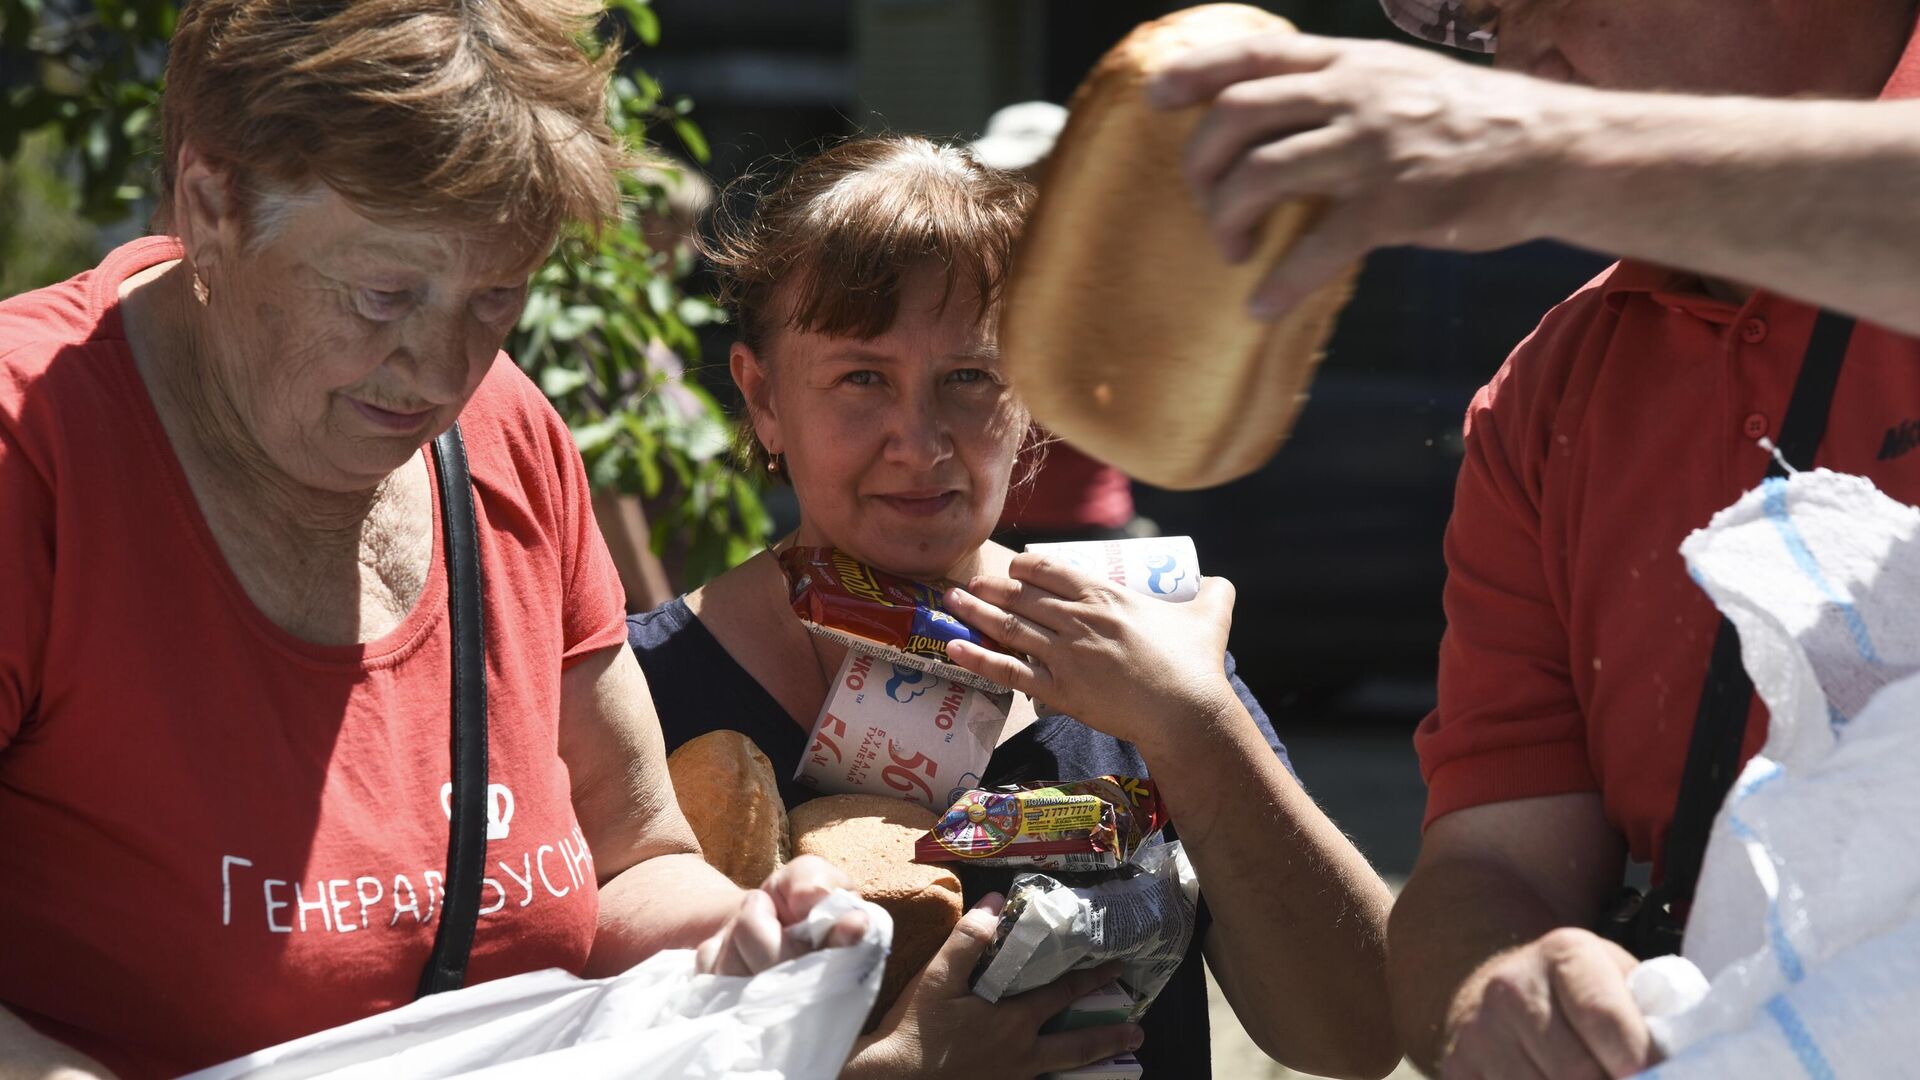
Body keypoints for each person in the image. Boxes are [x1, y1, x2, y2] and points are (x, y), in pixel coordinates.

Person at [0, 2, 861, 1075]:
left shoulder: (507, 436)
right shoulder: (31, 455)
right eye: (383, 294)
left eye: (496, 297)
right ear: (212, 200)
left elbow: (630, 861)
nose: (442, 369)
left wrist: (740, 939)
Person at [1145, 0, 1920, 1075]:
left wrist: (1546, 152)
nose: (1513, 58)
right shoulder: (1546, 397)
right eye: (1474, 23)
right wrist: (1498, 986)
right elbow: (1490, 865)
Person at [625, 134, 1400, 1080]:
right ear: (762, 397)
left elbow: (1357, 1036)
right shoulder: (638, 691)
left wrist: (1193, 723)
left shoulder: (1144, 647)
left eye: (971, 377)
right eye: (861, 377)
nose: (919, 442)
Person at [969, 100, 1149, 548]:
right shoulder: (971, 267)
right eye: (1005, 175)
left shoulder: (1113, 272)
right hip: (981, 518)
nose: (1019, 188)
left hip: (1083, 524)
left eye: (1037, 172)